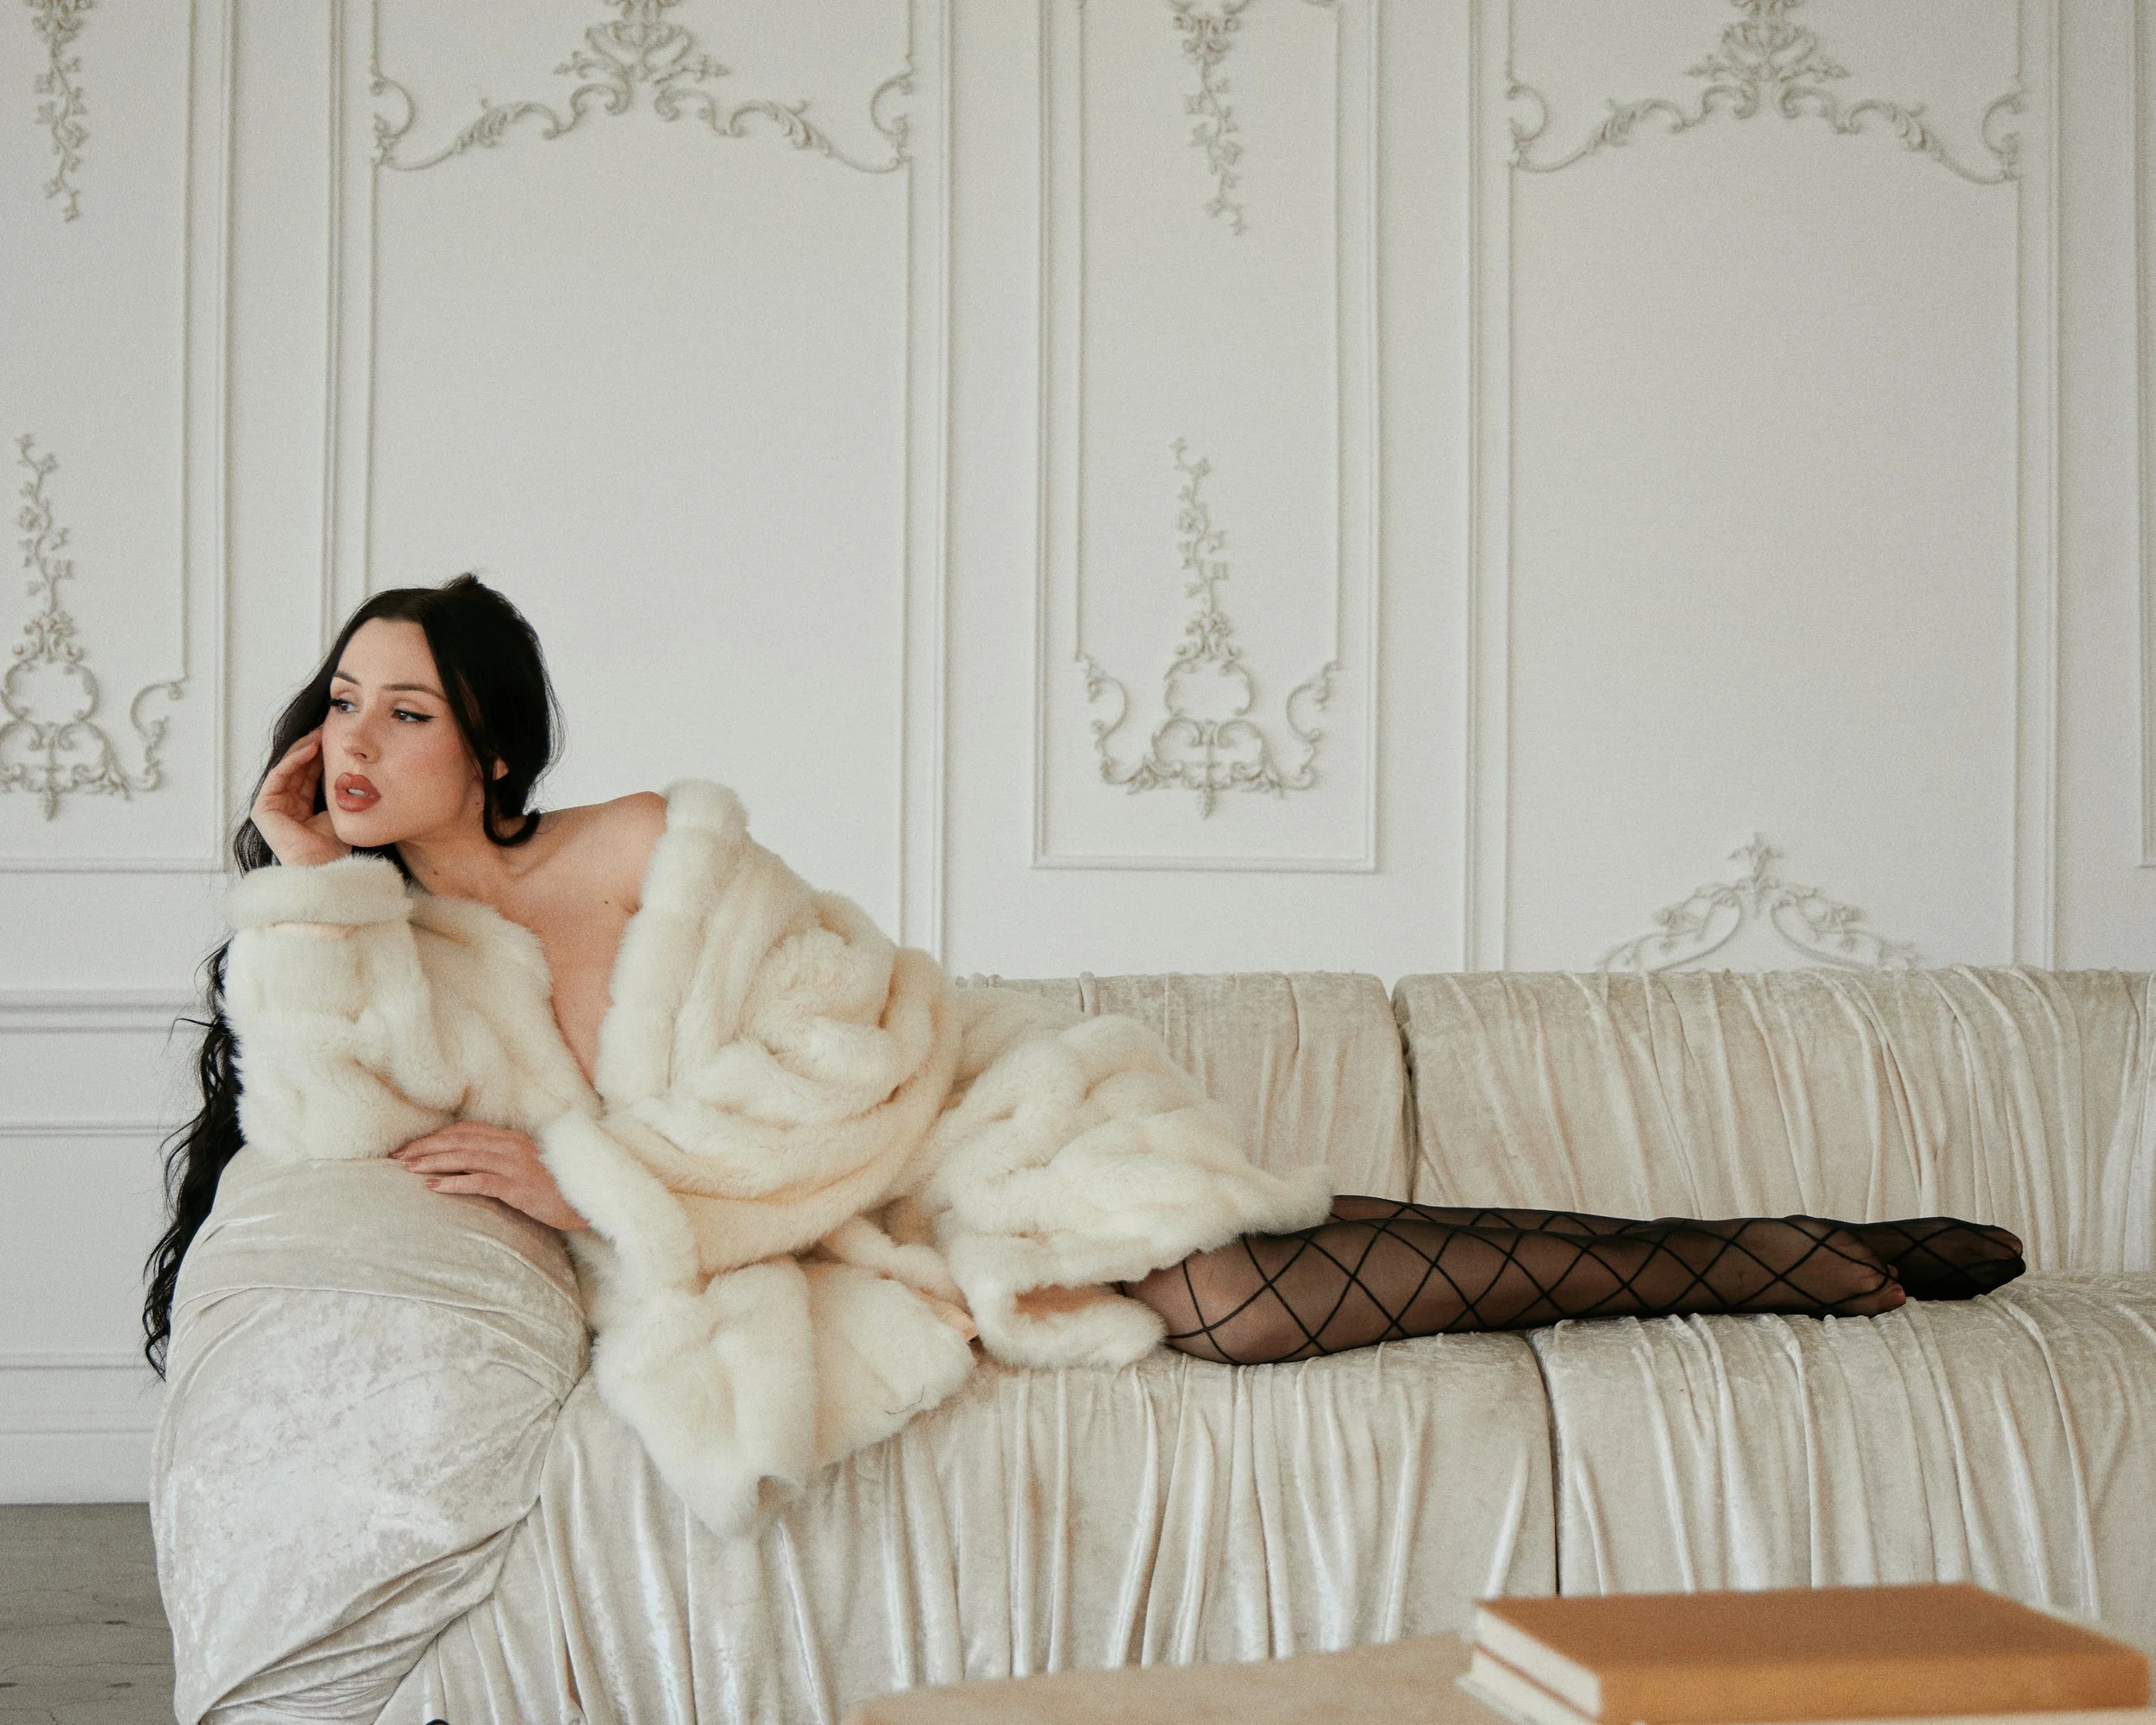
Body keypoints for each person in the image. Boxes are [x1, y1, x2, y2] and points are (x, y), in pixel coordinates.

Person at [142, 575, 2025, 1390]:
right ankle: (1780, 1249)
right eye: (341, 702)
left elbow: (854, 1034)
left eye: (407, 710)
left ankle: (1775, 1253)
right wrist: (302, 889)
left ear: (491, 744)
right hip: (844, 1238)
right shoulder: (386, 951)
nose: (357, 738)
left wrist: (609, 1176)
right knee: (1268, 1264)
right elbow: (323, 1127)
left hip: (955, 1111)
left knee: (1237, 1277)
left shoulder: (645, 842)